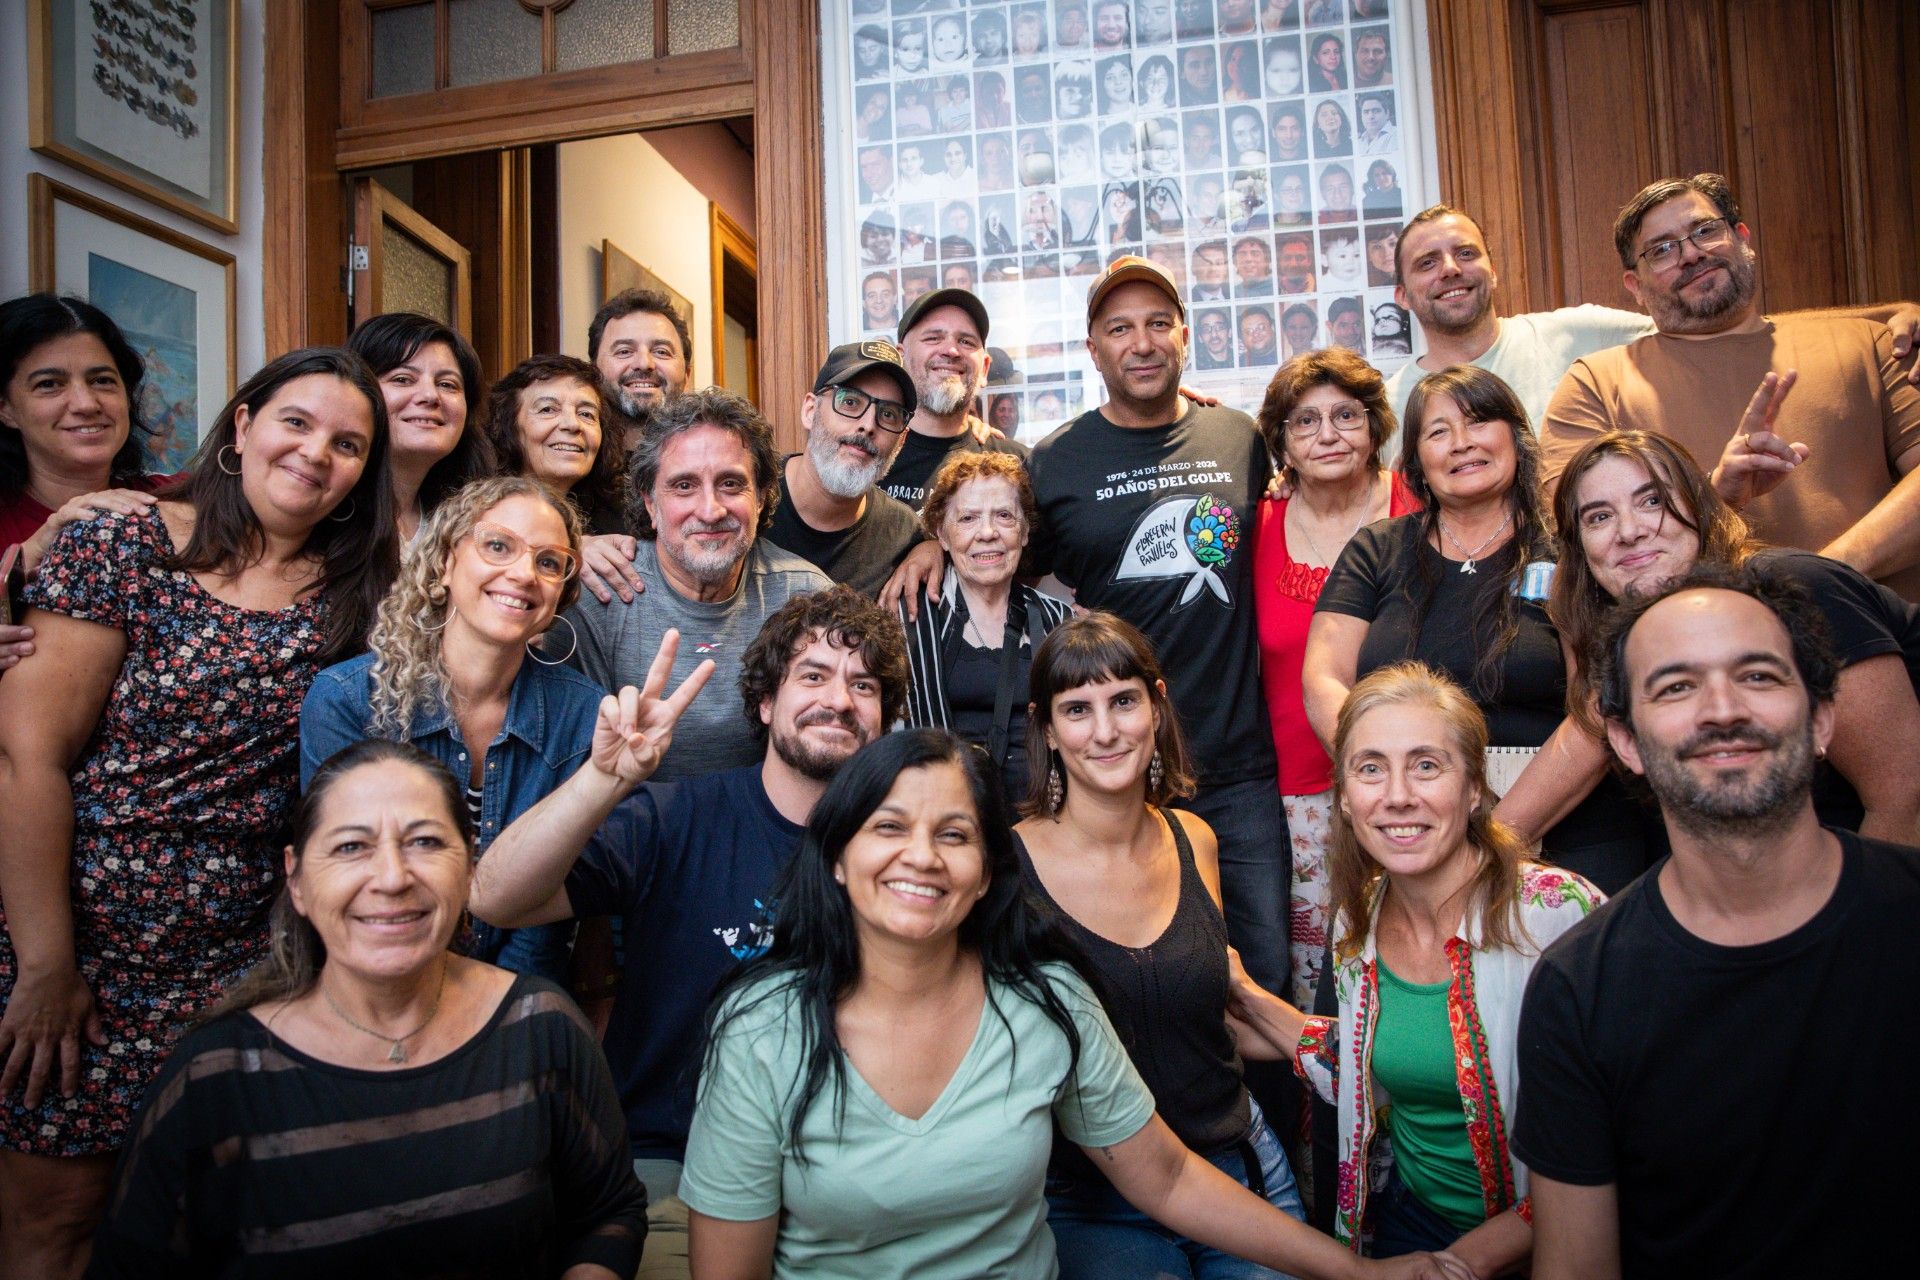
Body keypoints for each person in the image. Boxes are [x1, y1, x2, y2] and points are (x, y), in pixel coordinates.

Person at [680, 728, 1463, 1280]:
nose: (921, 856)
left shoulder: (1043, 999)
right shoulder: (762, 1028)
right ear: (839, 858)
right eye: (889, 827)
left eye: (954, 835)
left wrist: (1358, 1273)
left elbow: (1167, 1177)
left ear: (988, 874)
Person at [0, 347, 395, 1277]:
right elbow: (27, 759)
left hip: (246, 960)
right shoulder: (124, 544)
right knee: (58, 1217)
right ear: (244, 426)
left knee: (214, 1220)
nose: (316, 453)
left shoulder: (361, 594)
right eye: (295, 422)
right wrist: (48, 964)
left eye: (348, 444)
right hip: (84, 947)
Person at [467, 587, 907, 1280]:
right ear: (765, 703)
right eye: (813, 675)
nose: (840, 700)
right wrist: (603, 779)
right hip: (674, 1168)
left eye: (864, 685)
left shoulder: (905, 856)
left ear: (884, 719)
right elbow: (495, 898)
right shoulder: (676, 817)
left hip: (850, 1175)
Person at [85, 739, 647, 1277]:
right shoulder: (213, 1078)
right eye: (351, 847)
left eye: (425, 842)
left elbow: (606, 1213)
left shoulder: (539, 1027)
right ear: (297, 879)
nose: (393, 878)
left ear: (468, 865)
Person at [1514, 564, 1920, 1280]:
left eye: (1758, 676)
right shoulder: (1577, 989)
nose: (1722, 709)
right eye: (1676, 687)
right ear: (1626, 742)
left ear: (1822, 718)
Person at [1226, 663, 1601, 1269]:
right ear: (1345, 797)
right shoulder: (1358, 920)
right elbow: (1373, 1061)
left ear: (1474, 788)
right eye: (1371, 768)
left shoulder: (1557, 915)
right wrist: (1247, 997)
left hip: (1554, 1237)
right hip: (1409, 1221)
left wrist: (1469, 1260)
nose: (1398, 795)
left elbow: (1626, 1130)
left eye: (1426, 765)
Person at [1016, 614, 1309, 1279]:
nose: (1106, 731)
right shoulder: (1009, 867)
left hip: (1234, 1166)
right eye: (1077, 710)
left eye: (1124, 700)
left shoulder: (1195, 839)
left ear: (1156, 706)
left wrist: (1353, 1049)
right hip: (1088, 1199)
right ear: (1047, 729)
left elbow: (1208, 1018)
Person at [1304, 365, 1656, 894]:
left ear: (1516, 435)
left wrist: (1489, 839)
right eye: (1438, 431)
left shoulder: (1571, 546)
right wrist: (1391, 784)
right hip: (1411, 825)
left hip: (1571, 827)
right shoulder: (1376, 550)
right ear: (1416, 459)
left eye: (1478, 421)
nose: (1461, 443)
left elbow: (1595, 702)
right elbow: (1324, 680)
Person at [1541, 173, 1920, 599]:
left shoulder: (1872, 343)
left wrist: (1827, 577)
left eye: (1705, 231)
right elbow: (1581, 534)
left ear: (1742, 238)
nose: (1691, 254)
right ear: (1635, 286)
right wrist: (1715, 495)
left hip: (1884, 622)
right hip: (1693, 632)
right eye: (1662, 250)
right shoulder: (1595, 383)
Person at [1549, 428, 1920, 843]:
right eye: (1599, 517)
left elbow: (1904, 800)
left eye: (1653, 501)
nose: (1629, 530)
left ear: (1700, 507)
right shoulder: (1633, 649)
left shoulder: (1798, 588)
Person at [300, 475, 600, 983]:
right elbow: (346, 878)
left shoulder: (583, 712)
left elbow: (543, 915)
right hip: (378, 979)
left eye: (549, 562)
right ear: (444, 564)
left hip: (516, 992)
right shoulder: (346, 700)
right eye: (498, 546)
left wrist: (495, 1008)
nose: (523, 574)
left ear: (560, 595)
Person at [1385, 199, 1918, 459]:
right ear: (1403, 296)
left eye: (1466, 253)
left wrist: (1888, 316)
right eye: (1427, 263)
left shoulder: (1574, 332)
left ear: (1493, 270)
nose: (1450, 269)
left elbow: (1731, 327)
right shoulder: (1387, 409)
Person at [1253, 351, 1421, 1007]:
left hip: (1417, 787)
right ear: (1282, 442)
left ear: (1375, 426)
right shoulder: (1255, 526)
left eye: (1346, 416)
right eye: (1305, 421)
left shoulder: (1423, 508)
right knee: (1323, 989)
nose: (1327, 435)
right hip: (1299, 803)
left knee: (1423, 960)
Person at [568, 387, 829, 781]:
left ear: (761, 497)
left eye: (731, 484)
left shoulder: (806, 598)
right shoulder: (596, 597)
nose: (710, 510)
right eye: (684, 486)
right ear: (650, 503)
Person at [0, 296, 168, 673]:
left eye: (102, 381)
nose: (86, 403)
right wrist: (25, 559)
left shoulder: (178, 499)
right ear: (5, 408)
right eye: (49, 384)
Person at [898, 452, 1070, 798]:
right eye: (968, 518)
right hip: (942, 811)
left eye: (1004, 516)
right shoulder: (908, 619)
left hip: (1047, 814)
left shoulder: (1060, 622)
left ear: (1024, 532)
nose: (988, 533)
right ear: (942, 536)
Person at [763, 344, 924, 598]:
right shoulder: (751, 501)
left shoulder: (903, 534)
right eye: (850, 402)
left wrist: (933, 548)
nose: (868, 425)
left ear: (901, 441)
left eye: (888, 414)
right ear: (810, 411)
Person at [348, 312, 494, 546]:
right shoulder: (323, 511)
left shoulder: (475, 520)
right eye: (402, 379)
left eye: (447, 384)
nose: (430, 395)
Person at [884, 289, 1030, 510]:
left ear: (985, 369)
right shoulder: (870, 458)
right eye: (933, 338)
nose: (951, 350)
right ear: (900, 358)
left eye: (966, 341)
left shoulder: (1019, 467)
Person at [482, 353, 623, 534]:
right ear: (508, 427)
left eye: (586, 414)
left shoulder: (619, 526)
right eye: (547, 409)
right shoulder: (477, 517)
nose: (572, 424)